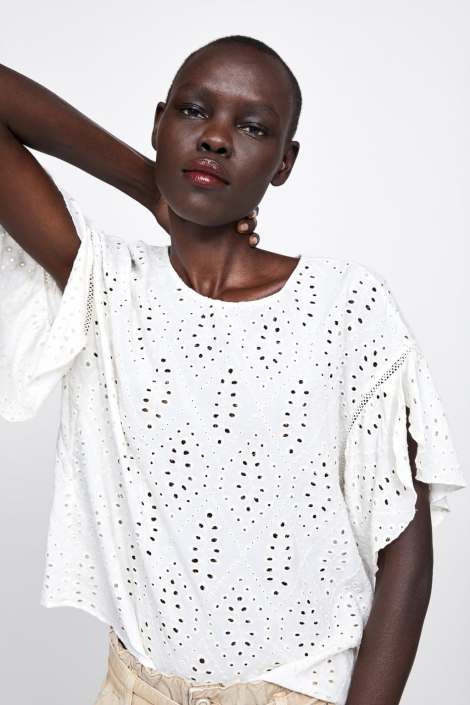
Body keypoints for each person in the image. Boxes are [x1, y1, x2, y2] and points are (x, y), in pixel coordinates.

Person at [0, 34, 466, 705]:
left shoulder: (347, 308)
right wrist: (146, 184)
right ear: (159, 124)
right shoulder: (104, 287)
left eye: (252, 127)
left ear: (284, 162)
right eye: (194, 112)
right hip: (135, 690)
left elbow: (406, 553)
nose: (216, 138)